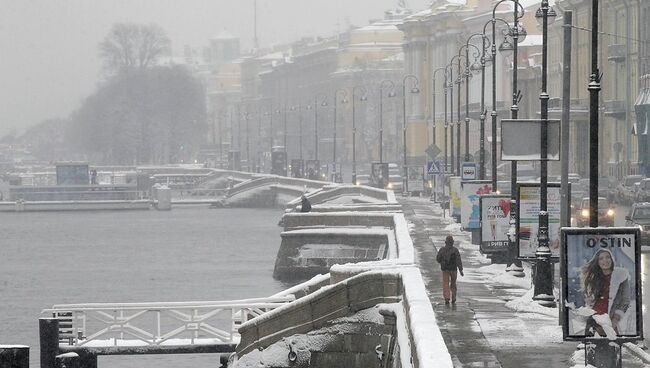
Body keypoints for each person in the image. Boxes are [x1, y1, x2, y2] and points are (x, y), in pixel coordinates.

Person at [579, 248, 630, 337]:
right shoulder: (592, 277)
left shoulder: (621, 275)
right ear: (597, 262)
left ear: (612, 259)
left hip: (611, 320)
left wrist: (615, 320)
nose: (605, 260)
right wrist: (588, 300)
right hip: (594, 320)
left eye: (607, 257)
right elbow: (586, 299)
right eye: (601, 258)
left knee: (614, 347)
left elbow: (625, 301)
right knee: (590, 348)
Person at [436, 235, 464, 305]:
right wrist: (460, 270)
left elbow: (438, 259)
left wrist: (442, 262)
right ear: (452, 242)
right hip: (453, 270)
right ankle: (453, 297)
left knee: (445, 283)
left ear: (446, 242)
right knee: (453, 283)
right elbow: (458, 260)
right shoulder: (455, 250)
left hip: (445, 270)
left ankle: (447, 297)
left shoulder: (442, 250)